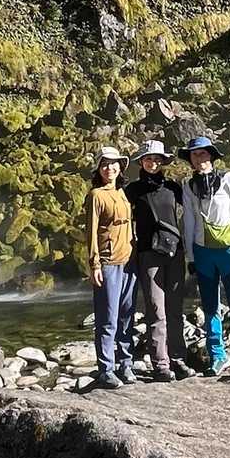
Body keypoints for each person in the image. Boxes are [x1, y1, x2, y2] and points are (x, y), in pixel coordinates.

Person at [180, 134, 230, 377]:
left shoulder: (228, 179)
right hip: (203, 252)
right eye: (194, 155)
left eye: (203, 153)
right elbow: (189, 222)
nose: (199, 158)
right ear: (190, 159)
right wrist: (190, 257)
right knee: (210, 306)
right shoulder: (188, 186)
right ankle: (217, 356)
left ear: (211, 155)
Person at [125, 139, 196, 382]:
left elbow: (193, 212)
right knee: (156, 309)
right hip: (148, 253)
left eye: (157, 159)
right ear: (141, 162)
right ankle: (160, 364)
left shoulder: (173, 187)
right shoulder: (132, 190)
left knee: (175, 308)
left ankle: (178, 359)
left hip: (175, 252)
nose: (153, 163)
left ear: (163, 161)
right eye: (148, 159)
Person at [83, 146, 136, 389]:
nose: (109, 168)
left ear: (120, 167)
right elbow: (91, 231)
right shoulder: (96, 195)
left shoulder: (122, 192)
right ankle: (106, 368)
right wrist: (94, 264)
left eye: (114, 163)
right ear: (98, 169)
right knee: (108, 318)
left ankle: (126, 363)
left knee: (126, 315)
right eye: (104, 164)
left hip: (129, 262)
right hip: (108, 262)